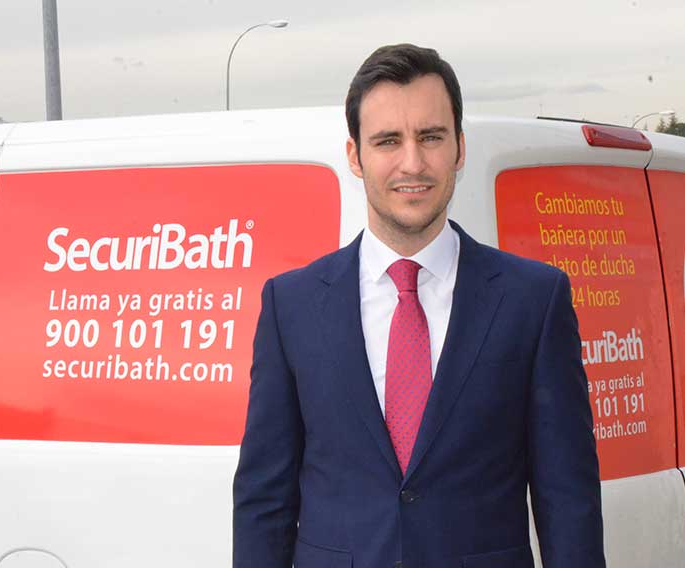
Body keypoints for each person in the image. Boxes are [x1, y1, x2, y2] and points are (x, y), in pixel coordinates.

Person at [233, 44, 604, 568]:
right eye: (388, 141)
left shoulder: (533, 300)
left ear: (459, 148)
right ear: (356, 156)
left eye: (431, 136)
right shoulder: (290, 306)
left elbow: (568, 500)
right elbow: (263, 501)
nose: (413, 162)